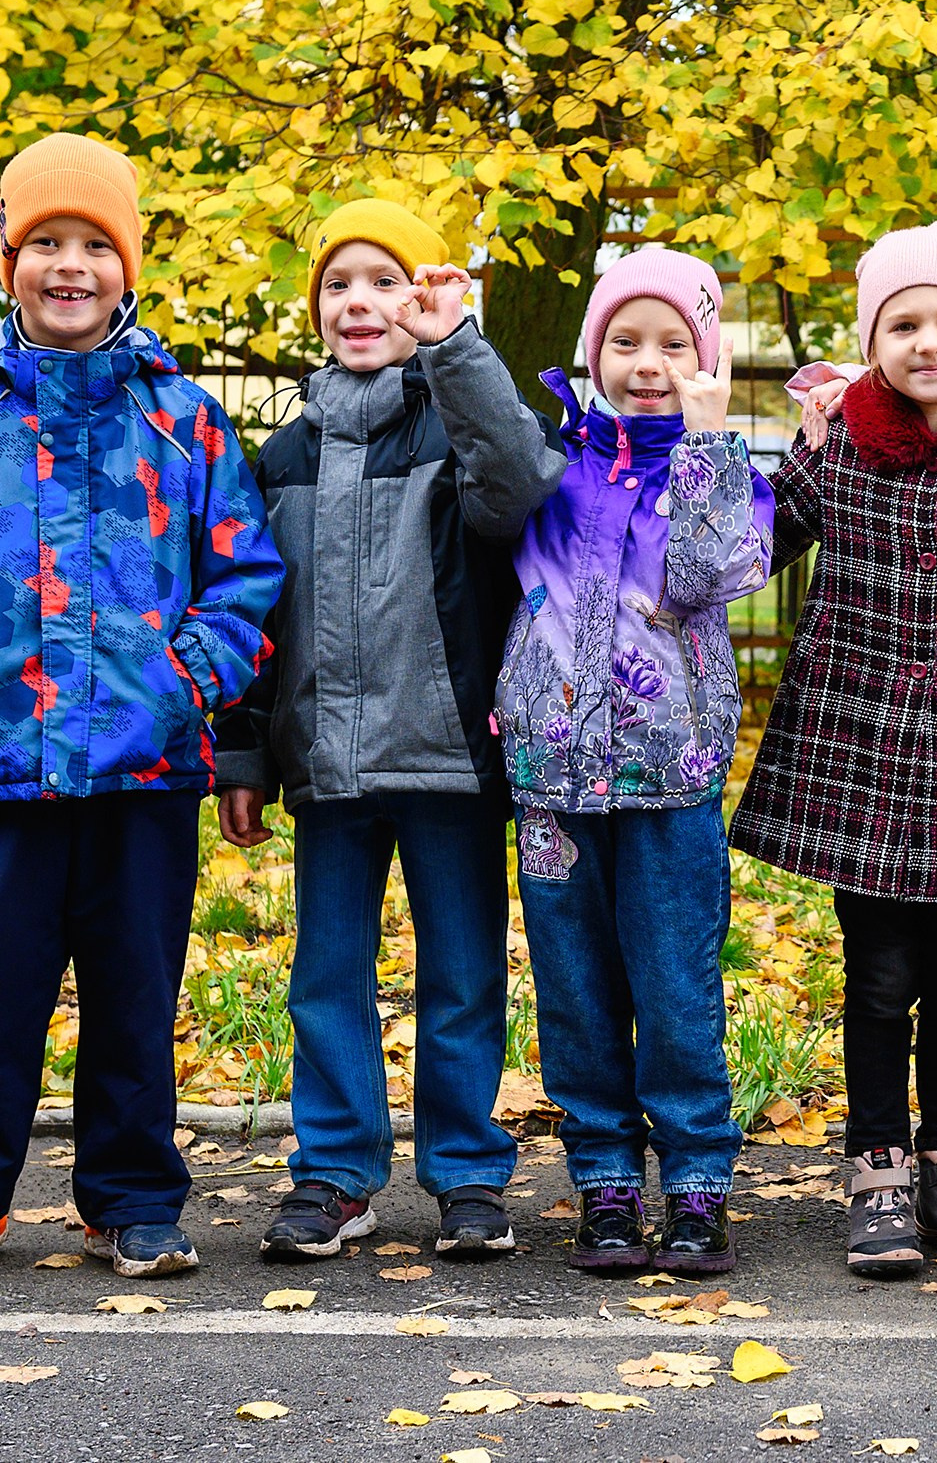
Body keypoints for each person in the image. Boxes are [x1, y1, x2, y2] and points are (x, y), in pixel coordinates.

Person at [0, 132, 283, 1282]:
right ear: (7, 259)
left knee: (135, 996)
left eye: (93, 243)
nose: (69, 264)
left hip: (148, 769)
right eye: (44, 240)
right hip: (4, 767)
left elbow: (245, 575)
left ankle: (133, 1199)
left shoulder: (183, 421)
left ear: (128, 265)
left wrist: (187, 680)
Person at [213, 199, 564, 1261]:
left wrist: (455, 344)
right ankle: (334, 1173)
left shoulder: (459, 427)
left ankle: (464, 1171)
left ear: (421, 297)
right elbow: (250, 606)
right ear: (314, 305)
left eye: (385, 281)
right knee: (326, 974)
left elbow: (517, 483)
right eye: (338, 284)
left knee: (461, 973)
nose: (359, 302)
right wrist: (241, 749)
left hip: (450, 753)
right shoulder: (281, 457)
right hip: (326, 760)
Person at [730, 223, 937, 1277]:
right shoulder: (844, 444)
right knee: (877, 981)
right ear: (873, 340)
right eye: (904, 323)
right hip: (860, 752)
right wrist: (770, 446)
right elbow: (748, 549)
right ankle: (877, 1169)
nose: (928, 341)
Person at [496, 248, 772, 1275]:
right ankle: (605, 1178)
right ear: (593, 351)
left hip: (672, 781)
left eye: (672, 343)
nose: (646, 362)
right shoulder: (550, 466)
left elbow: (712, 573)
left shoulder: (726, 471)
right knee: (573, 991)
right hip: (554, 786)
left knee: (676, 988)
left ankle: (696, 1181)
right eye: (625, 340)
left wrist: (705, 446)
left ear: (704, 357)